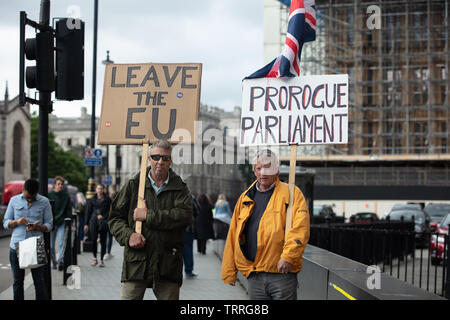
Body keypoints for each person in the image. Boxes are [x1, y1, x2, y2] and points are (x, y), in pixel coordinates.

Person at [108, 139, 193, 300]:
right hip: (136, 262)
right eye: (156, 157)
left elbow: (184, 216)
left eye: (165, 158)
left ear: (171, 161)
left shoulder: (180, 187)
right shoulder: (134, 184)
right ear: (148, 159)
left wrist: (148, 216)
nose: (160, 162)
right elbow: (114, 217)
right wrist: (129, 236)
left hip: (167, 263)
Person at [221, 149, 310, 300]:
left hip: (282, 273)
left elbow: (300, 229)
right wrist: (229, 272)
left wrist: (288, 257)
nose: (263, 172)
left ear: (276, 168)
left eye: (268, 167)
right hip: (254, 275)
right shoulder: (245, 198)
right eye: (259, 168)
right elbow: (233, 235)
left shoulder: (292, 193)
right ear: (254, 171)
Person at [3, 179, 53, 300]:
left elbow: (49, 224)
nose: (29, 199)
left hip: (37, 244)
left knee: (39, 281)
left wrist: (39, 227)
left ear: (36, 193)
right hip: (16, 245)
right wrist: (16, 221)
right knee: (18, 281)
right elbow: (5, 222)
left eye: (32, 196)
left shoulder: (44, 202)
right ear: (23, 190)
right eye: (27, 196)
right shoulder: (14, 200)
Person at [48, 176, 73, 271]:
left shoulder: (66, 195)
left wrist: (70, 223)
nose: (60, 186)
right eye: (58, 184)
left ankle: (61, 261)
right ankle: (53, 261)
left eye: (62, 184)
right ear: (54, 185)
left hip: (62, 222)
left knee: (61, 242)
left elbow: (69, 210)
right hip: (51, 223)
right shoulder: (49, 195)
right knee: (50, 245)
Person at [84, 184, 112, 267]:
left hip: (103, 222)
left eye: (101, 188)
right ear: (96, 190)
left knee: (103, 241)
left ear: (103, 190)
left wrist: (104, 216)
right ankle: (94, 258)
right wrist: (86, 224)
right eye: (98, 188)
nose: (99, 190)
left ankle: (101, 260)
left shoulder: (108, 199)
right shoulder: (92, 200)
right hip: (93, 222)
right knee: (93, 240)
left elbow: (111, 211)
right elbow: (88, 212)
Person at [183, 194, 200, 278]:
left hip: (174, 228)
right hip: (188, 228)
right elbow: (197, 211)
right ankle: (188, 270)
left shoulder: (172, 194)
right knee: (188, 249)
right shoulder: (190, 197)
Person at [104, 191, 116, 260]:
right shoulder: (111, 201)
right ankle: (108, 252)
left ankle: (107, 252)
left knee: (107, 237)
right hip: (109, 221)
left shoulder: (107, 200)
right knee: (109, 237)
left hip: (108, 220)